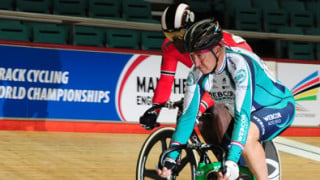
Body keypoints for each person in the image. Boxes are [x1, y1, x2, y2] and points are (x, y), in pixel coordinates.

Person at [157, 18, 295, 180]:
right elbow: (188, 117)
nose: (196, 62)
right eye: (192, 56)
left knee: (247, 137)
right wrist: (171, 158)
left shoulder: (239, 65)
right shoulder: (196, 73)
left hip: (279, 106)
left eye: (200, 56)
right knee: (221, 151)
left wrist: (232, 161)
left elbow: (242, 115)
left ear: (217, 50)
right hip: (249, 117)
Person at [140, 3, 252, 131]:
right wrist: (155, 110)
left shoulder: (208, 44)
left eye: (180, 35)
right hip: (215, 74)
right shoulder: (169, 48)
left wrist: (199, 109)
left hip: (240, 58)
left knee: (214, 108)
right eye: (170, 36)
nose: (176, 42)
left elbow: (218, 84)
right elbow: (166, 81)